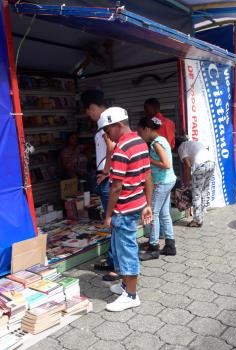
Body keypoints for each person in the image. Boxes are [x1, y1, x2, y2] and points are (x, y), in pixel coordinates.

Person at [99, 107, 153, 312]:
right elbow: (147, 176)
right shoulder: (140, 142)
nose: (106, 134)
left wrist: (108, 214)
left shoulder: (121, 149)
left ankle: (131, 295)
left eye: (107, 130)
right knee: (121, 246)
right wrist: (148, 204)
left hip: (123, 208)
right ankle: (124, 285)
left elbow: (116, 187)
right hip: (137, 203)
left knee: (126, 249)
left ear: (117, 125)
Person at [81, 90, 119, 281]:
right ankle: (113, 260)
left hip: (108, 178)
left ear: (93, 107)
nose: (89, 116)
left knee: (113, 222)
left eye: (89, 112)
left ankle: (117, 264)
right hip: (110, 176)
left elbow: (112, 148)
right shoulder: (110, 118)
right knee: (113, 222)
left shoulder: (105, 121)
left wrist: (105, 172)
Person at [137, 117, 177, 260]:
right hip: (168, 181)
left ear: (147, 129)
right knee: (164, 213)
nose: (140, 135)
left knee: (153, 213)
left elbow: (166, 164)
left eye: (141, 132)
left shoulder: (156, 144)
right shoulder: (163, 140)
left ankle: (154, 247)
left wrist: (149, 160)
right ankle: (170, 246)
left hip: (162, 182)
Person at [177, 137, 215, 227]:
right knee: (204, 192)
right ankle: (201, 216)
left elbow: (187, 165)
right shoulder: (192, 143)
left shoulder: (181, 147)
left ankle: (197, 221)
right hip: (211, 164)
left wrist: (186, 181)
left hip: (201, 166)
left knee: (197, 194)